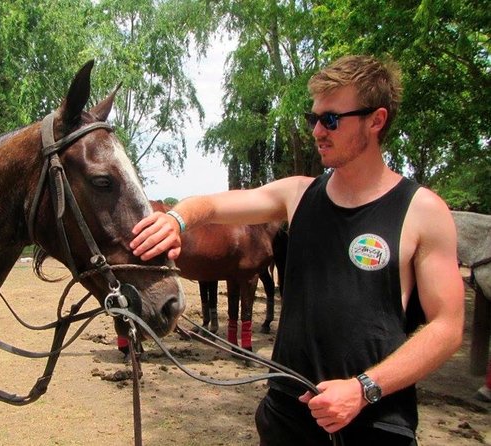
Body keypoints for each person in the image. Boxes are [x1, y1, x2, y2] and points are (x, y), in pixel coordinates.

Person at [129, 55, 464, 445]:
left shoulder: (423, 211)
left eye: (332, 120)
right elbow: (216, 205)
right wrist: (177, 219)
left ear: (376, 120)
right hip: (287, 413)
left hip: (374, 420)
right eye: (314, 119)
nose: (318, 131)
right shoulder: (299, 194)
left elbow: (447, 327)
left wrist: (362, 389)